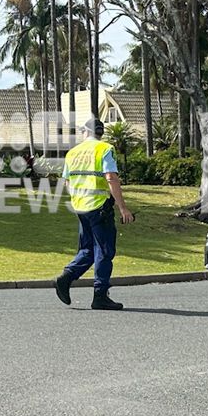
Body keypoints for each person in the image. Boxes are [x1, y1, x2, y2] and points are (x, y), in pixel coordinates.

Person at [53, 117, 135, 310]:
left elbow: (67, 182)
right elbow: (111, 178)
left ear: (85, 132)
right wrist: (123, 208)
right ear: (100, 132)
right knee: (104, 251)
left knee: (88, 250)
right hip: (99, 207)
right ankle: (100, 295)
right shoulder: (105, 149)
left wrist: (78, 199)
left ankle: (66, 278)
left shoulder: (73, 153)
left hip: (81, 207)